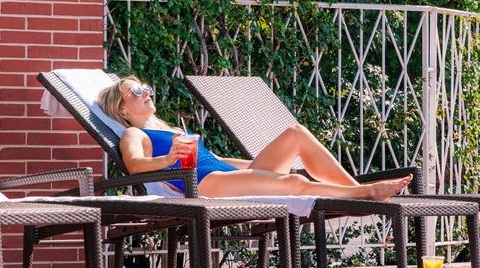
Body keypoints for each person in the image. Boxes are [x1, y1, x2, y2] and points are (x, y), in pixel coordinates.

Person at [96, 76, 412, 201]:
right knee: (293, 185)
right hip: (208, 185)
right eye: (136, 91)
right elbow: (135, 165)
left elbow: (214, 159)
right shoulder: (134, 134)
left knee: (296, 134)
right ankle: (366, 195)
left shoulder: (170, 128)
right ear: (122, 108)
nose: (146, 93)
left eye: (146, 88)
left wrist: (252, 165)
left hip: (224, 172)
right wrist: (167, 159)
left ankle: (356, 192)